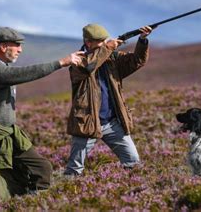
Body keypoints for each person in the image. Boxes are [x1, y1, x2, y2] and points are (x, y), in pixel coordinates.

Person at [0, 27, 83, 209]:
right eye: (16, 45)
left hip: (8, 133)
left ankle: (29, 205)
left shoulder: (2, 67)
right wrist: (61, 62)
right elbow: (21, 74)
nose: (20, 49)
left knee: (41, 168)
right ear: (2, 47)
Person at [64, 23, 153, 175]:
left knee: (133, 162)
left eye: (105, 40)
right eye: (101, 41)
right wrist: (109, 47)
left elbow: (136, 61)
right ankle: (65, 193)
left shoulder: (111, 58)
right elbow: (88, 66)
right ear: (88, 43)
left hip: (112, 121)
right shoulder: (78, 61)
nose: (105, 43)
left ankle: (128, 193)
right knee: (75, 168)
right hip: (87, 123)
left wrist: (142, 40)